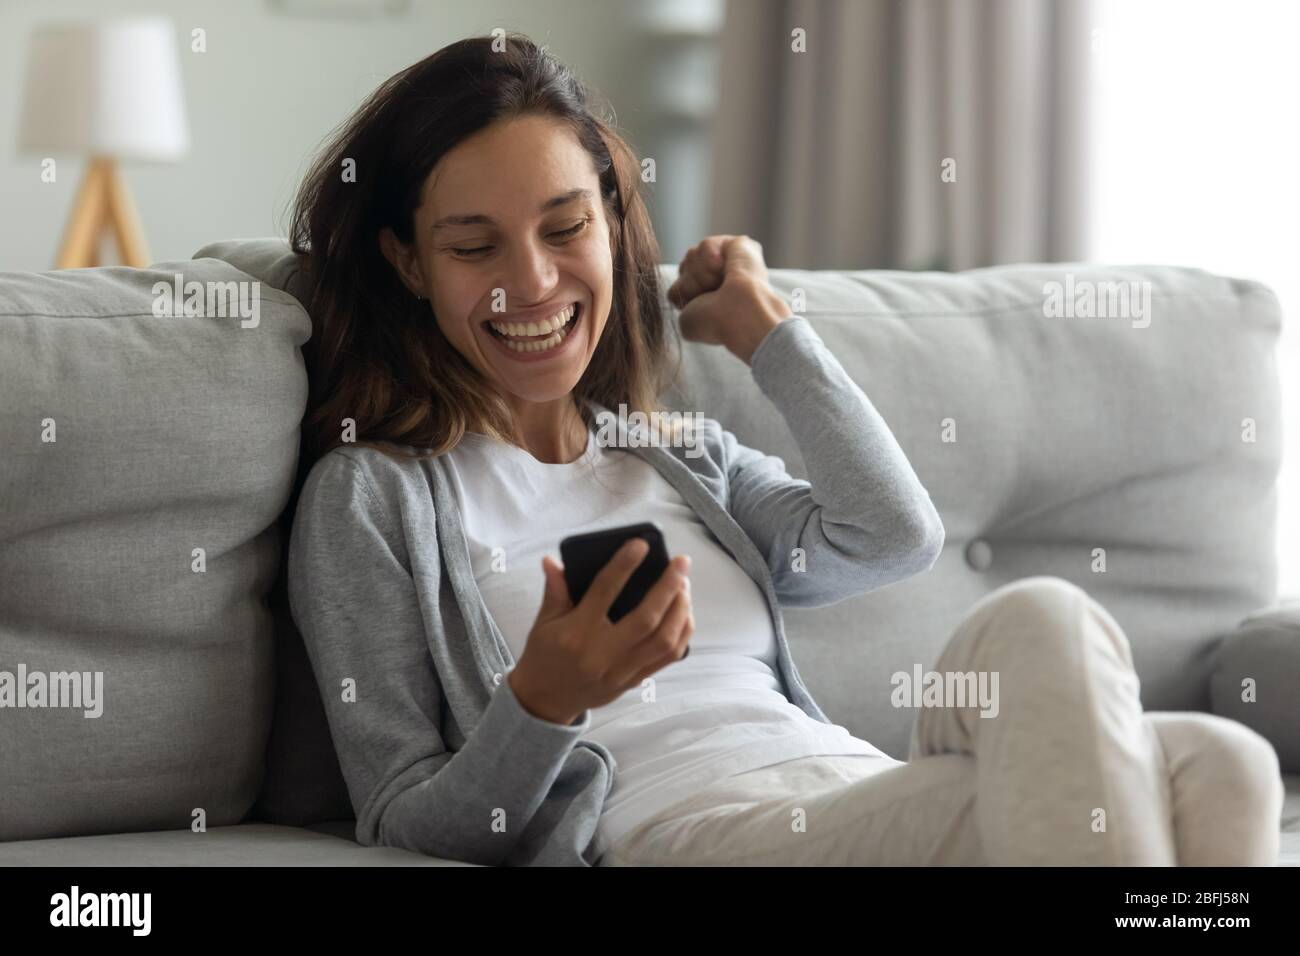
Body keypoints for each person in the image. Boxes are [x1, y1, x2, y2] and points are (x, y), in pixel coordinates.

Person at [285, 32, 1283, 867]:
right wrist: (545, 697)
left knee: (1207, 752)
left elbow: (890, 534)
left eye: (563, 226)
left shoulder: (676, 456)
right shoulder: (372, 497)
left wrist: (774, 334)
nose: (534, 282)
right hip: (694, 830)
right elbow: (403, 813)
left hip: (852, 781)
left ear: (611, 225)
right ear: (407, 261)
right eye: (474, 247)